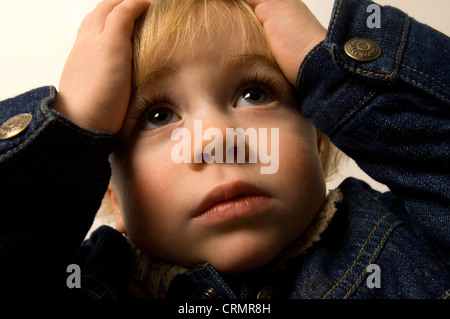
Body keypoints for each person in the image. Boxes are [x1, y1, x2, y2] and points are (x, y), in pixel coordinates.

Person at [0, 0, 448, 299]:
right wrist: (70, 127)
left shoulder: (408, 245)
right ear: (110, 193)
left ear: (316, 135)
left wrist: (334, 67)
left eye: (254, 94)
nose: (217, 140)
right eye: (158, 116)